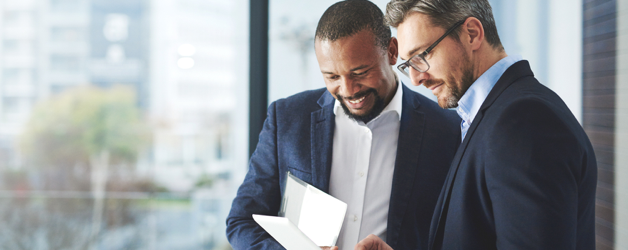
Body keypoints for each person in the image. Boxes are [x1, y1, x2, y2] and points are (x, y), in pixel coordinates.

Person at [354, 0, 598, 249]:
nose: (416, 79)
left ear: (472, 34)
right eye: (408, 65)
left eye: (422, 56)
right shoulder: (491, 115)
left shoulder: (524, 120)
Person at [226, 0, 461, 249]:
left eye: (360, 72)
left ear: (392, 51)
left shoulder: (447, 130)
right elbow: (242, 222)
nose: (348, 90)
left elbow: (462, 236)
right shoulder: (286, 118)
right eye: (332, 76)